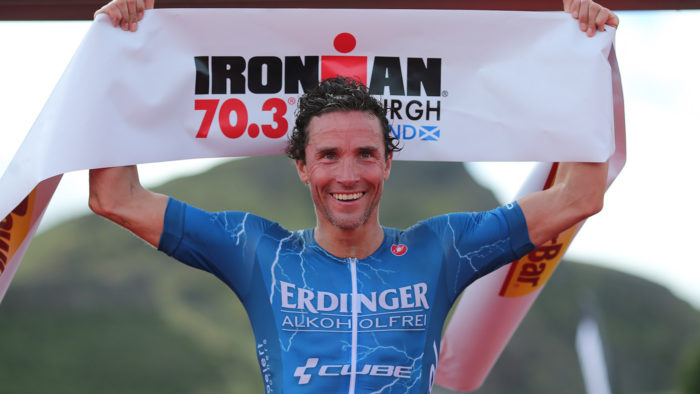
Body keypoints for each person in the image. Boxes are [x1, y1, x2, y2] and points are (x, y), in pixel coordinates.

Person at [89, 1, 618, 392]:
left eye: (365, 154)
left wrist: (582, 65)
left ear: (388, 163)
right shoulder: (256, 249)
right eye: (328, 156)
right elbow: (115, 196)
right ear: (301, 166)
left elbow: (579, 195)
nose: (348, 174)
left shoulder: (442, 248)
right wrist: (115, 60)